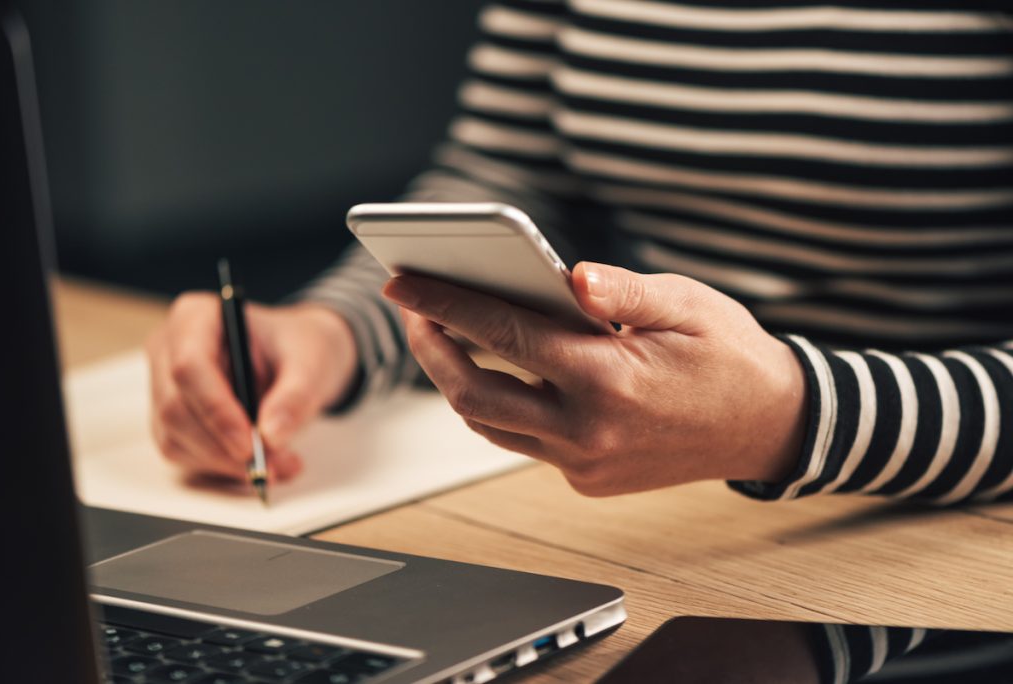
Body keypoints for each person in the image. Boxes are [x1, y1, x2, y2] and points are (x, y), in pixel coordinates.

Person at [146, 2, 1013, 681]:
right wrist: (328, 330)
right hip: (689, 522)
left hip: (957, 557)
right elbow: (503, 170)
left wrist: (791, 416)